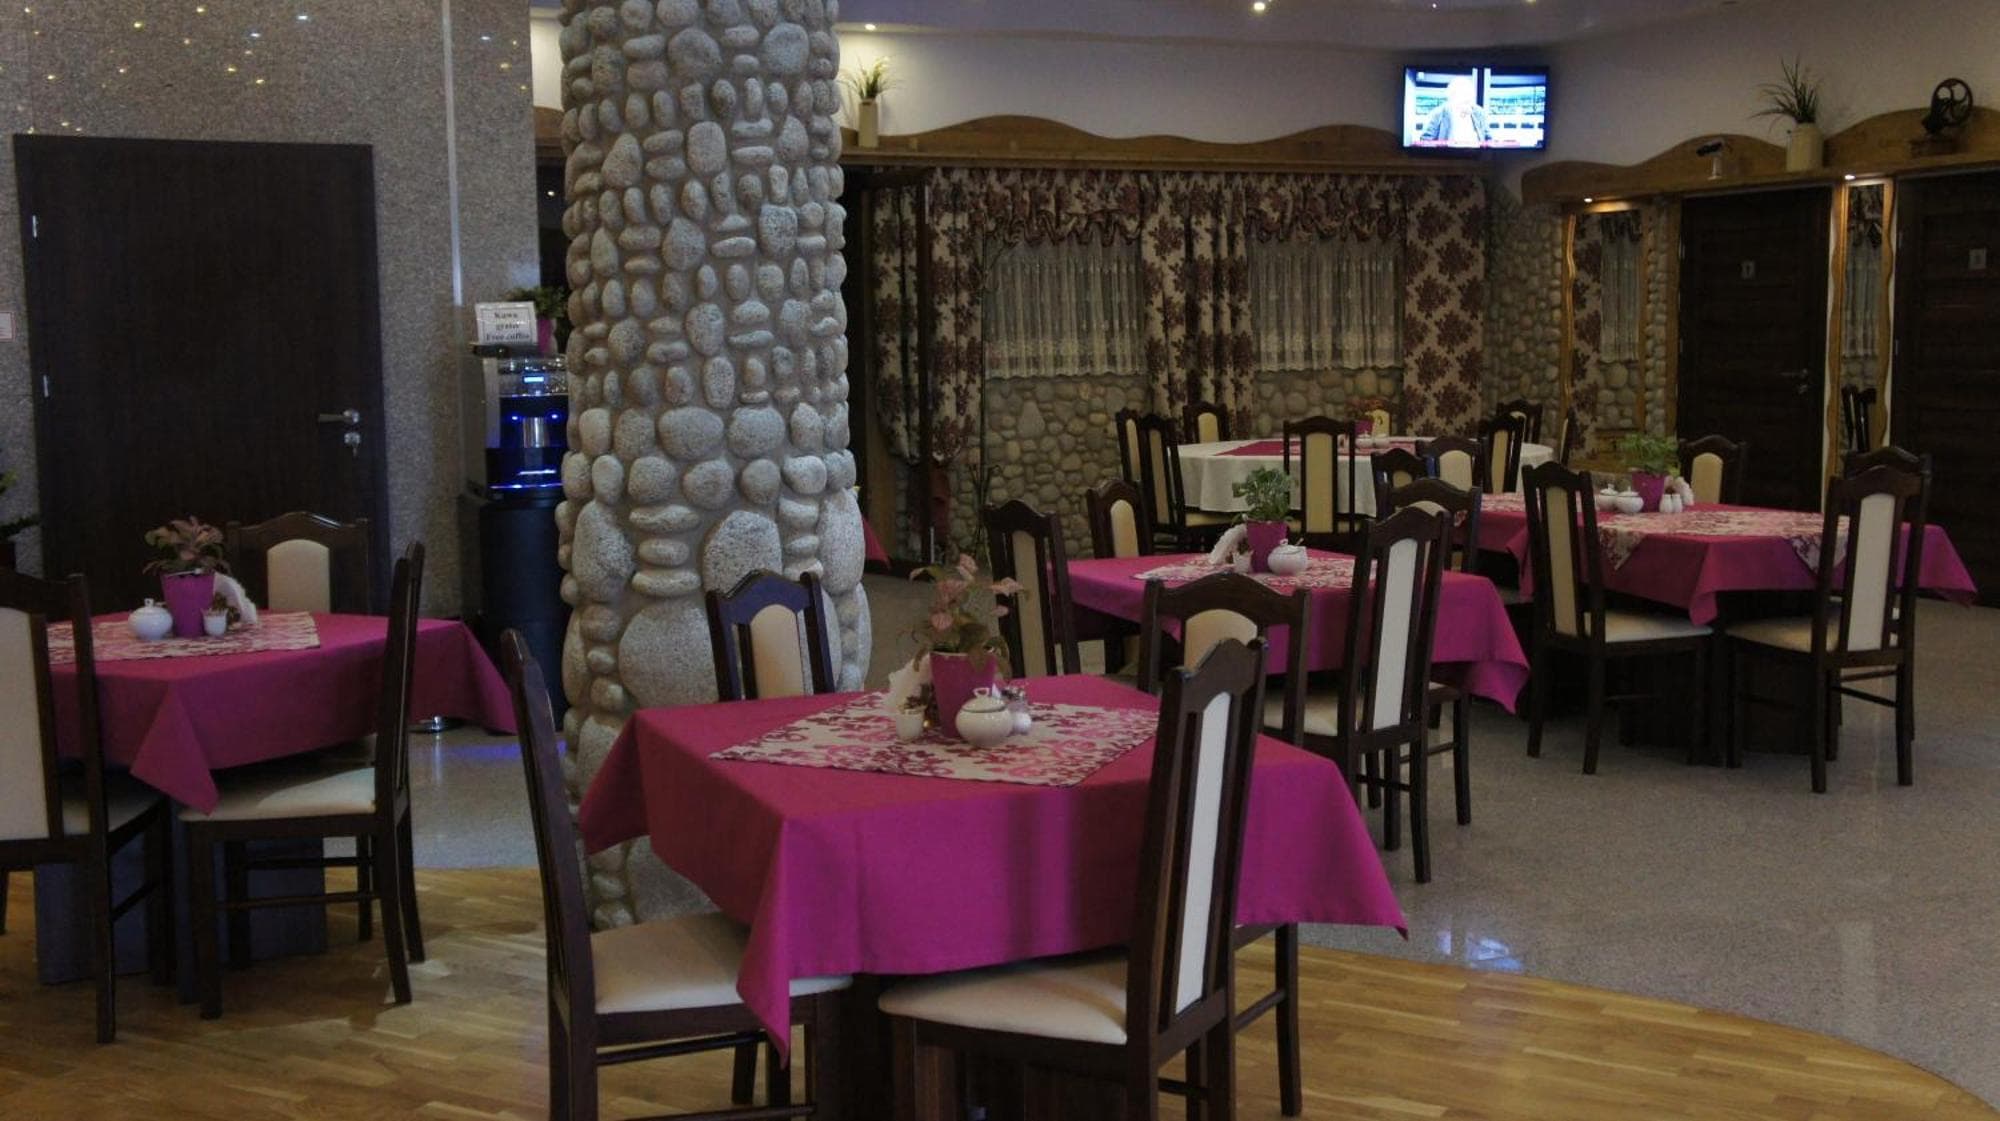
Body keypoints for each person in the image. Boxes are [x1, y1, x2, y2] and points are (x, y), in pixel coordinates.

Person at [1419, 76, 1489, 147]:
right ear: (1452, 96)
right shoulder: (1438, 113)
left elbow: (1488, 139)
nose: (1468, 98)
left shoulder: (1479, 113)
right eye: (1464, 94)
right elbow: (1425, 141)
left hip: (1476, 153)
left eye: (1470, 94)